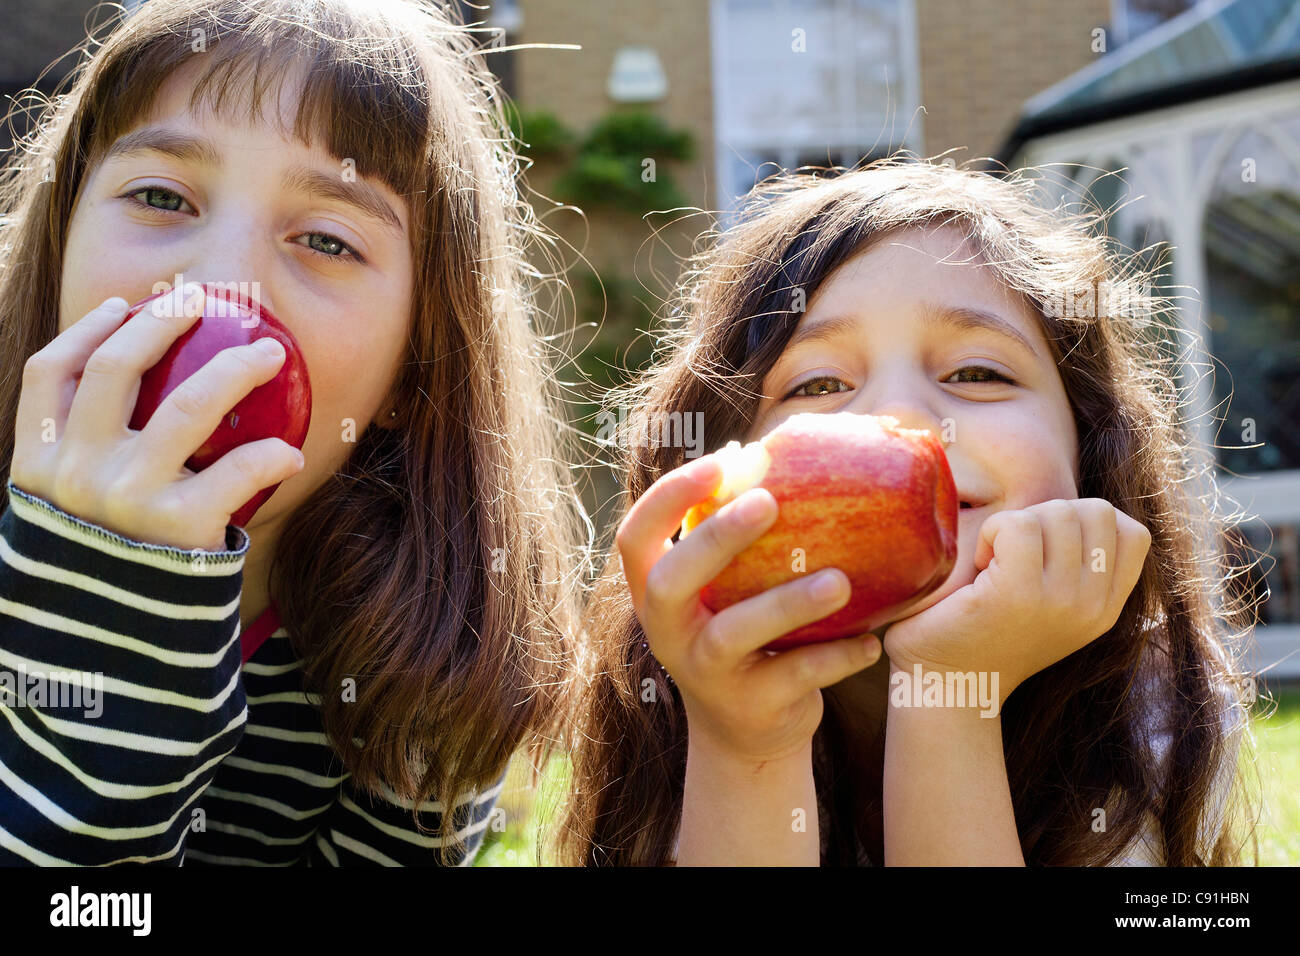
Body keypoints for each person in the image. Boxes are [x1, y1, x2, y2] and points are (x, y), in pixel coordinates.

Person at [0, 0, 587, 866]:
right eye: (161, 196)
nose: (222, 284)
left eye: (325, 239)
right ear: (60, 249)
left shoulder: (419, 657)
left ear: (413, 367)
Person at [557, 157, 1259, 866]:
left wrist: (950, 695)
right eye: (820, 382)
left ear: (1089, 442)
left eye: (976, 374)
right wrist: (744, 746)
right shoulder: (670, 715)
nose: (898, 417)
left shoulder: (1152, 717)